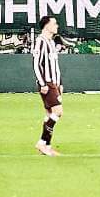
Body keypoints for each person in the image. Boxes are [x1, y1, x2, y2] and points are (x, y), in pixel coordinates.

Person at [32, 16, 64, 157]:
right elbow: (36, 63)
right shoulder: (40, 41)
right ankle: (41, 142)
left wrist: (60, 83)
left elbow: (55, 65)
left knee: (49, 114)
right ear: (46, 26)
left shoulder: (51, 42)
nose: (56, 26)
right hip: (47, 82)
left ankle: (47, 145)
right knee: (58, 112)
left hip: (54, 83)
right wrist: (42, 83)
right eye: (54, 24)